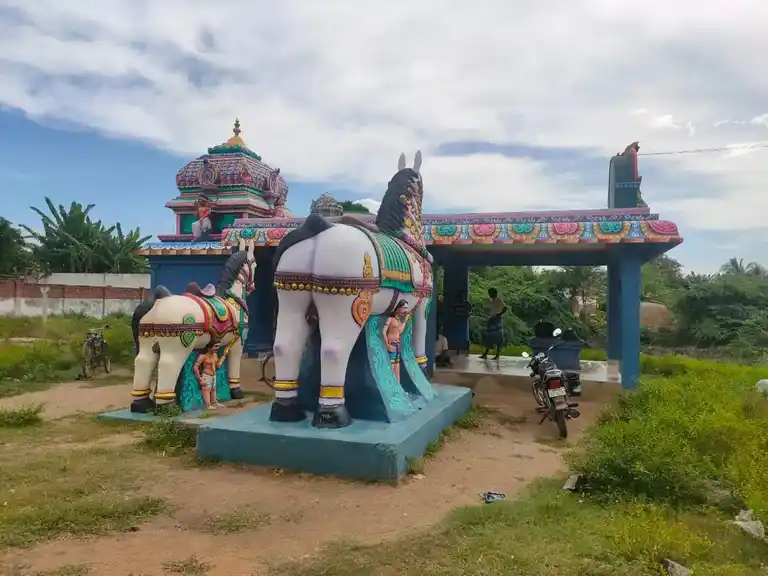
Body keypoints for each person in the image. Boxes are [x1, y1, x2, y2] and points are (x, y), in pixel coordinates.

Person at [194, 341, 226, 409]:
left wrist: (222, 358)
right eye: (216, 346)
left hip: (213, 376)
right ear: (209, 347)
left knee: (213, 389)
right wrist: (200, 379)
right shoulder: (203, 356)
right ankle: (208, 405)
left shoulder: (215, 355)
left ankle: (214, 402)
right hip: (206, 376)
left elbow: (218, 366)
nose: (217, 348)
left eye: (218, 346)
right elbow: (195, 367)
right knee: (206, 389)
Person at [383, 300, 410, 381]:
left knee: (397, 368)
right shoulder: (390, 318)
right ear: (398, 308)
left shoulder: (398, 319)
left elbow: (399, 331)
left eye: (406, 308)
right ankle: (390, 388)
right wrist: (387, 345)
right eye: (404, 308)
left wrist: (405, 321)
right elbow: (383, 331)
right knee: (391, 368)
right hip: (391, 344)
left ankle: (397, 388)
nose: (405, 310)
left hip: (397, 345)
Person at [480, 288, 507, 361]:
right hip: (492, 319)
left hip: (496, 320)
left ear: (494, 293)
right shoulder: (493, 301)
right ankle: (486, 354)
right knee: (489, 336)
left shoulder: (498, 301)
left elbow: (505, 308)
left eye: (490, 293)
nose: (489, 295)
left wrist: (499, 315)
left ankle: (497, 355)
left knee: (498, 337)